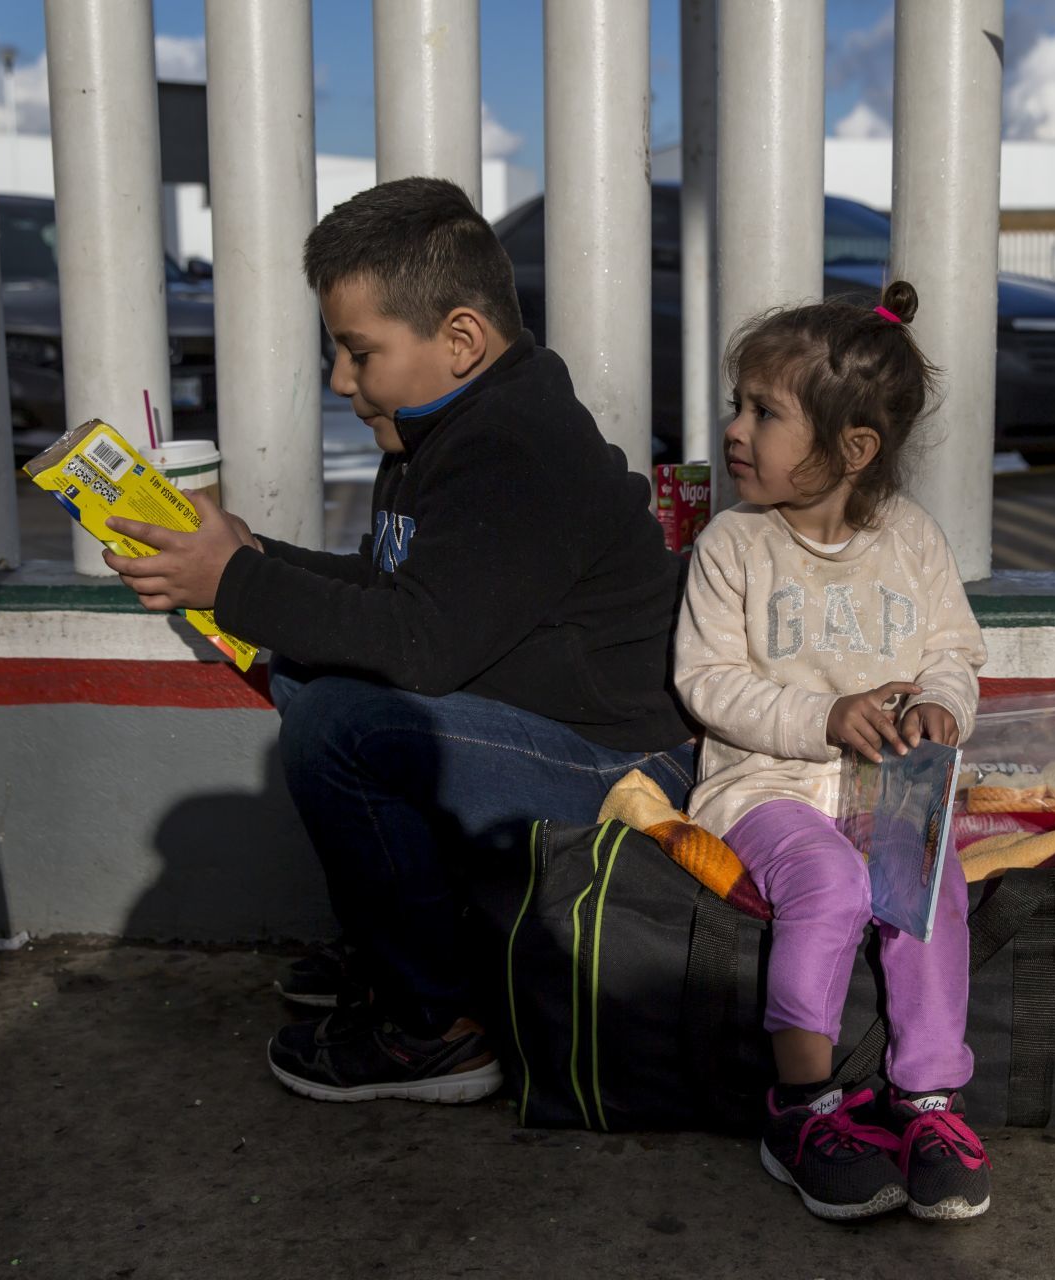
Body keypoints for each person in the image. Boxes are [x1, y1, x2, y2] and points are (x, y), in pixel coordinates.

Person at [101, 177, 698, 1105]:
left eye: (358, 352)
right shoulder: (434, 430)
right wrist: (253, 557)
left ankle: (433, 1028)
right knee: (308, 670)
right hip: (553, 727)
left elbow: (417, 644)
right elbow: (395, 591)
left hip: (624, 770)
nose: (341, 380)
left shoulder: (513, 448)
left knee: (340, 724)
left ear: (459, 341)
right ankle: (405, 951)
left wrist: (236, 584)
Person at [675, 281, 991, 1222]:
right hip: (762, 783)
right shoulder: (731, 545)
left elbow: (954, 654)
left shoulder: (913, 541)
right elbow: (708, 684)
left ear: (853, 450)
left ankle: (927, 1097)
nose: (735, 429)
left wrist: (940, 707)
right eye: (737, 404)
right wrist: (822, 716)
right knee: (830, 884)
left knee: (928, 881)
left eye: (763, 412)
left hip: (884, 784)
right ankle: (805, 1106)